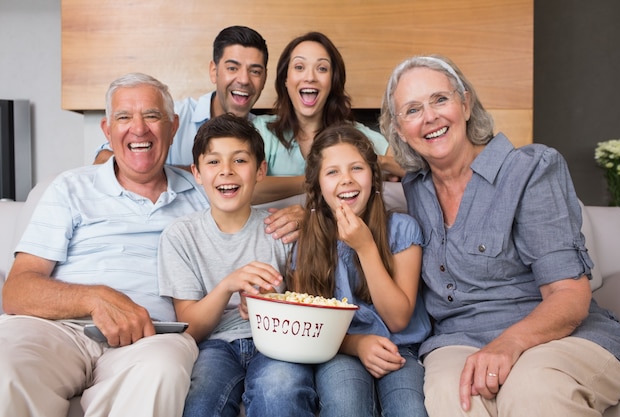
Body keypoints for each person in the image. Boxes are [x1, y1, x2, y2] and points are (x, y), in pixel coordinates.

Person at [380, 54, 620, 416]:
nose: (430, 116)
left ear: (465, 103)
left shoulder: (530, 169)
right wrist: (306, 210)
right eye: (413, 110)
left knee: (533, 389)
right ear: (400, 130)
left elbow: (569, 295)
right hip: (458, 339)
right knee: (451, 398)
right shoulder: (416, 187)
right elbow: (345, 188)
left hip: (557, 335)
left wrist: (507, 344)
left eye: (440, 99)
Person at [0, 73, 209, 417]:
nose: (138, 129)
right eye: (124, 117)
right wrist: (94, 298)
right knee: (6, 365)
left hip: (150, 336)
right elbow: (16, 291)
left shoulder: (204, 192)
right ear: (107, 130)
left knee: (163, 369)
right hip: (59, 329)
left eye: (152, 116)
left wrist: (298, 211)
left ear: (173, 126)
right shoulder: (70, 187)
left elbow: (247, 188)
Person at [157, 113, 317, 417]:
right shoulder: (181, 235)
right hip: (214, 346)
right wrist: (228, 285)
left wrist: (270, 305)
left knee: (281, 388)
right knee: (201, 398)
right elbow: (189, 327)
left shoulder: (280, 229)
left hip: (277, 342)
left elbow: (308, 302)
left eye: (240, 161)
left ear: (260, 171)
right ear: (197, 173)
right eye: (214, 162)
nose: (226, 171)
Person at [287, 124, 431, 417]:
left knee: (410, 409)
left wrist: (365, 248)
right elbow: (308, 326)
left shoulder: (402, 230)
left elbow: (398, 319)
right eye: (332, 172)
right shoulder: (308, 244)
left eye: (356, 168)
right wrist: (357, 344)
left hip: (401, 347)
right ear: (316, 186)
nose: (346, 180)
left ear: (373, 177)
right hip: (339, 347)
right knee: (345, 404)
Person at [252, 31, 406, 205]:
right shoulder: (261, 129)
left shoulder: (353, 133)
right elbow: (245, 188)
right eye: (299, 67)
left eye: (322, 69)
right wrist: (315, 180)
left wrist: (379, 161)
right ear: (285, 79)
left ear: (333, 81)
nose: (310, 77)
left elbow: (411, 171)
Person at [94, 25, 268, 169]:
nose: (244, 80)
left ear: (265, 78)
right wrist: (186, 176)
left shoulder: (268, 133)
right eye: (232, 68)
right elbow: (104, 158)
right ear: (214, 72)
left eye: (255, 71)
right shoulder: (167, 116)